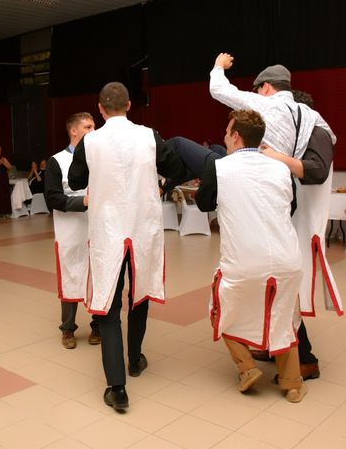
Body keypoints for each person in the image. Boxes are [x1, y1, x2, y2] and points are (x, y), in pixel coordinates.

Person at [209, 53, 343, 381]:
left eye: (256, 92)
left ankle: (304, 360)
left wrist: (219, 66)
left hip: (294, 220)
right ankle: (273, 347)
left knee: (284, 288)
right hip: (281, 216)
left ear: (265, 88)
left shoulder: (296, 119)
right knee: (279, 285)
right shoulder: (312, 120)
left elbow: (316, 170)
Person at [68, 82, 187, 412]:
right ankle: (135, 359)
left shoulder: (90, 141)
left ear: (101, 109)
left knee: (108, 303)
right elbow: (176, 168)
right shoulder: (150, 136)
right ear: (130, 105)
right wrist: (159, 183)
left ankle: (117, 388)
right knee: (139, 292)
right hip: (142, 226)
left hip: (108, 231)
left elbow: (77, 181)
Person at [195, 109, 307, 403]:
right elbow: (290, 207)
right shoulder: (281, 168)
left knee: (222, 309)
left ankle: (246, 368)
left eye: (226, 131)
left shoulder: (220, 167)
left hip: (244, 260)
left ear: (235, 136)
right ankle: (292, 383)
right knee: (282, 315)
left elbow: (203, 202)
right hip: (287, 259)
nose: (224, 137)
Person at [45, 112, 100, 349]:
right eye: (88, 127)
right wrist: (83, 203)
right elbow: (53, 199)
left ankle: (98, 326)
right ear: (73, 131)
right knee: (71, 276)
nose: (93, 130)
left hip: (98, 229)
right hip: (70, 231)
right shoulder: (57, 161)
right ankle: (68, 329)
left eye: (95, 126)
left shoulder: (100, 159)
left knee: (99, 276)